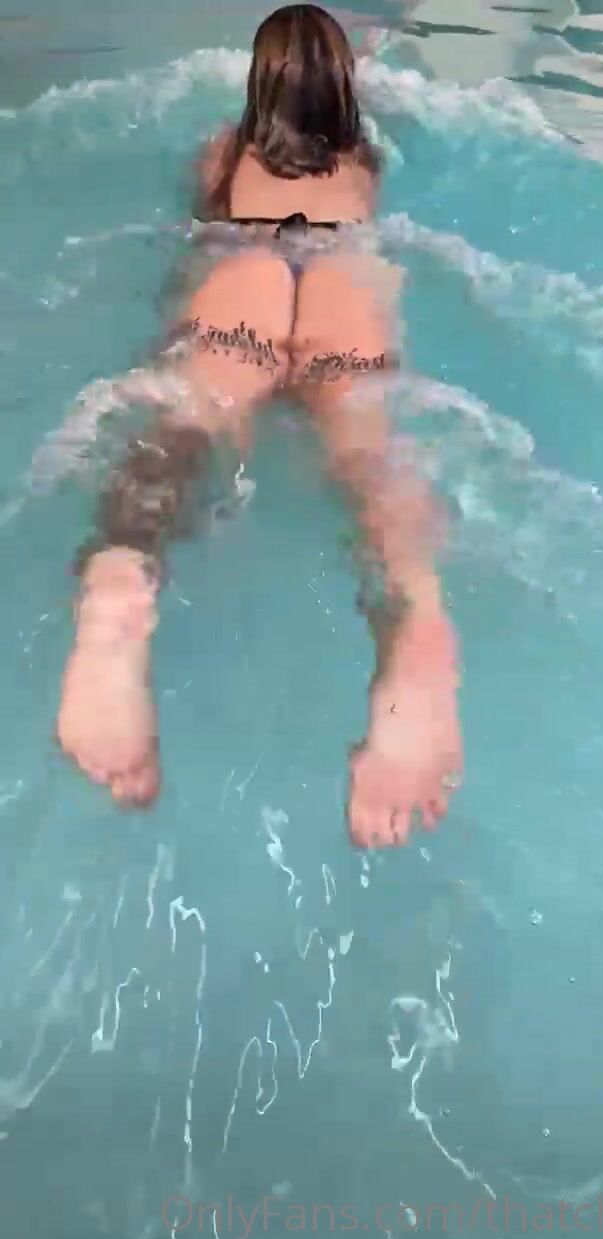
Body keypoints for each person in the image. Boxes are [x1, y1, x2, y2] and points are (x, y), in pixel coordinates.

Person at [56, 3, 461, 848]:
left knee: (181, 428)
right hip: (342, 282)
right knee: (371, 460)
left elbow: (191, 221)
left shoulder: (223, 152)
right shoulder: (365, 161)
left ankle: (118, 588)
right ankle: (421, 634)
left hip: (242, 274)